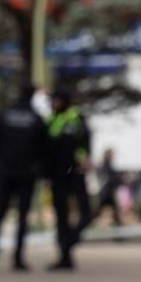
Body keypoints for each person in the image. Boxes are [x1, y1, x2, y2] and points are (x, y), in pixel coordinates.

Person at [0, 88, 48, 272]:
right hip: (26, 174)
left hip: (4, 173)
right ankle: (18, 257)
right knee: (22, 217)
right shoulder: (36, 119)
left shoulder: (4, 116)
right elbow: (45, 148)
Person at [44, 88, 91, 271]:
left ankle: (70, 240)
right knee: (61, 217)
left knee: (86, 212)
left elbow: (84, 143)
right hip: (57, 175)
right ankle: (65, 257)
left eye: (56, 100)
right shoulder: (50, 120)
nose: (53, 104)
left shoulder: (75, 118)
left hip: (76, 172)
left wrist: (83, 160)